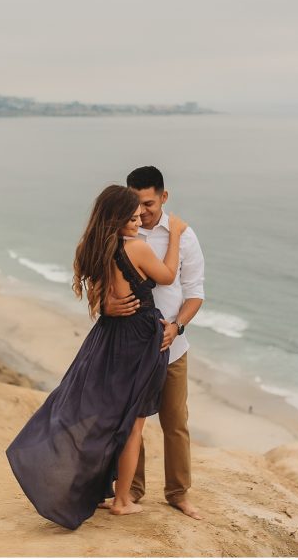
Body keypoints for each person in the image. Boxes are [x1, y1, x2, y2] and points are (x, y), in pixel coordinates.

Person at [6, 184, 188, 529]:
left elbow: (102, 299)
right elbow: (167, 276)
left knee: (99, 412)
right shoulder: (136, 248)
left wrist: (107, 305)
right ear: (117, 219)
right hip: (139, 339)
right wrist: (175, 235)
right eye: (133, 218)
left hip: (107, 337)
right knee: (133, 424)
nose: (138, 223)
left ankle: (91, 486)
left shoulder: (92, 248)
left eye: (139, 217)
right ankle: (123, 500)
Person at [100, 165, 206, 520]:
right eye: (135, 203)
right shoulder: (119, 233)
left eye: (147, 203)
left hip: (170, 348)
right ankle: (131, 489)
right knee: (131, 420)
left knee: (175, 421)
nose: (141, 212)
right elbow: (98, 284)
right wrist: (106, 305)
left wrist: (177, 326)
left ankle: (178, 493)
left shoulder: (184, 237)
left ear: (164, 197)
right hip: (130, 348)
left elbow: (194, 293)